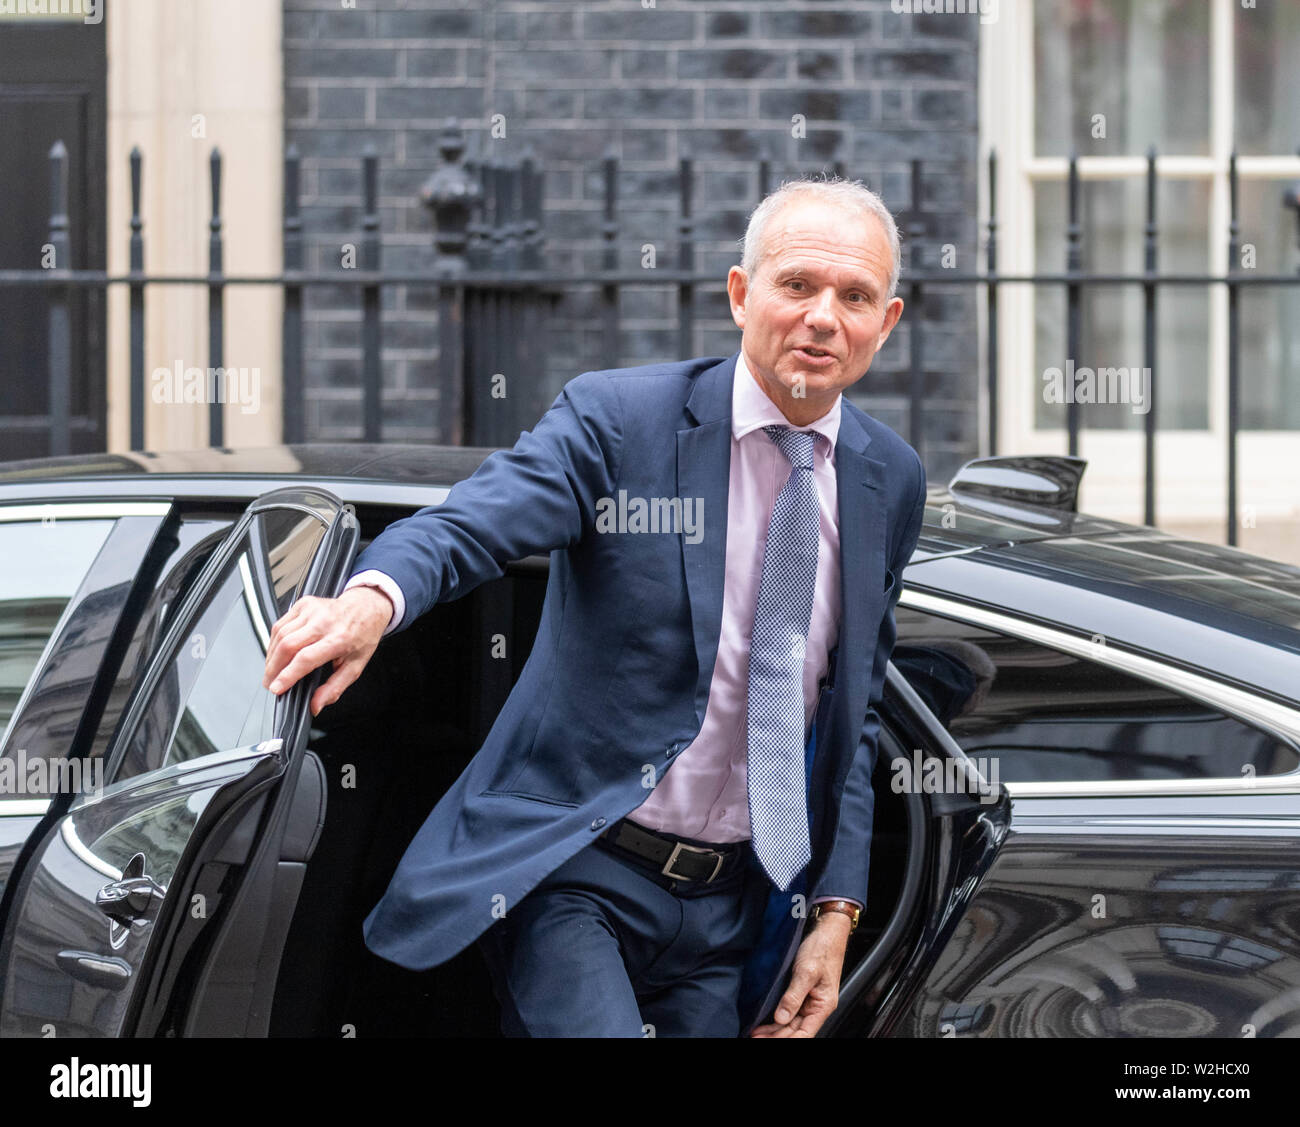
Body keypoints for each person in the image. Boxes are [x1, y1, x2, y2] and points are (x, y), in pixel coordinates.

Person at [261, 177, 926, 1038]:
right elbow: (475, 522)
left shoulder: (888, 478)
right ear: (741, 293)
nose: (823, 317)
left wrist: (835, 909)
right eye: (797, 284)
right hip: (577, 874)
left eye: (855, 297)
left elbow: (857, 710)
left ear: (888, 320)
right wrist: (371, 600)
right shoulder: (622, 423)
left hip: (731, 912)